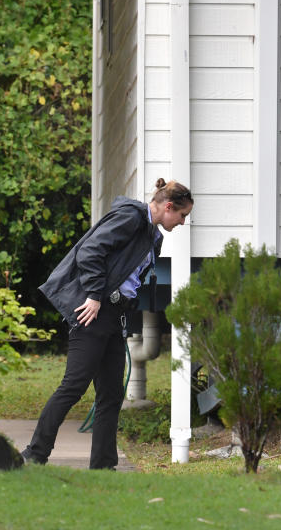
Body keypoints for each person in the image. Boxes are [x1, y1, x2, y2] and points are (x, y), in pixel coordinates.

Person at [21, 178, 194, 469]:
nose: (182, 222)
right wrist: (94, 294)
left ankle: (103, 466)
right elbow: (90, 251)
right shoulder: (130, 218)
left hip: (115, 316)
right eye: (182, 215)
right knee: (74, 386)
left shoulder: (153, 236)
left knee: (112, 394)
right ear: (168, 207)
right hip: (93, 312)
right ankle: (34, 454)